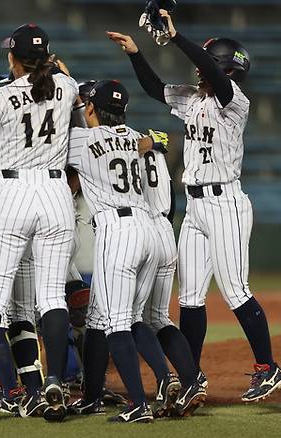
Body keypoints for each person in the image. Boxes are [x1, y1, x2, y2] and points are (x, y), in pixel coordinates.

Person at [107, 7, 281, 403]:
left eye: (207, 62)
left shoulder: (233, 99)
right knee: (189, 297)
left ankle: (267, 366)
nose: (198, 70)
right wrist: (137, 52)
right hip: (196, 206)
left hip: (226, 203)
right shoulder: (193, 99)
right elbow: (156, 89)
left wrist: (175, 38)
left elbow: (214, 72)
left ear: (222, 66)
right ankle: (192, 377)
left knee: (236, 290)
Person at [0, 24, 79, 422]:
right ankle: (55, 382)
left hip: (12, 191)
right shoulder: (67, 86)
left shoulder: (3, 96)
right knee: (52, 298)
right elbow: (61, 77)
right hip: (55, 193)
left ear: (12, 58)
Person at [67, 80, 166, 423]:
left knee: (116, 323)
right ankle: (93, 396)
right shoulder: (135, 135)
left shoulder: (81, 140)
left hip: (117, 231)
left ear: (91, 108)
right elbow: (159, 141)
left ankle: (138, 403)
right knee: (102, 317)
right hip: (147, 228)